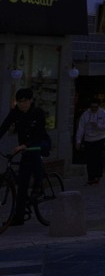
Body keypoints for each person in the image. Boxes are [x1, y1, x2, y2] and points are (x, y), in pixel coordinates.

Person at [0, 88, 51, 226]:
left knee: (33, 152)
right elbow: (5, 126)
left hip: (41, 143)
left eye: (25, 102)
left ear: (30, 101)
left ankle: (39, 185)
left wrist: (25, 145)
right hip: (25, 148)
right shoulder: (16, 112)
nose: (22, 105)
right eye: (19, 102)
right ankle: (19, 216)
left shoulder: (38, 113)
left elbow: (39, 133)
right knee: (22, 183)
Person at [76, 97, 105, 185]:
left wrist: (97, 126)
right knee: (89, 159)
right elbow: (81, 128)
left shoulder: (103, 113)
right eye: (92, 107)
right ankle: (91, 177)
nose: (94, 109)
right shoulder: (85, 114)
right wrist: (78, 140)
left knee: (97, 157)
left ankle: (97, 176)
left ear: (98, 106)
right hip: (88, 139)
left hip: (99, 138)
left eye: (95, 107)